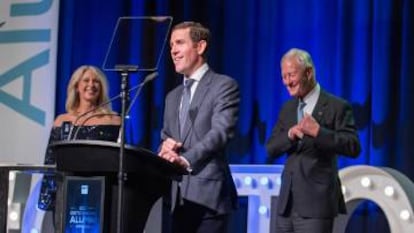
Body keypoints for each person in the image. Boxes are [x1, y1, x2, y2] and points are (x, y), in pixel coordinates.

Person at [266, 48, 361, 233]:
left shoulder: (337, 106)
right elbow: (271, 147)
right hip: (286, 205)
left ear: (308, 72)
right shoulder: (287, 108)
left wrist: (319, 132)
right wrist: (290, 135)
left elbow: (353, 146)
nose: (287, 82)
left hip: (316, 205)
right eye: (283, 77)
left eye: (291, 75)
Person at [158, 21, 240, 233]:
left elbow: (221, 132)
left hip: (209, 199)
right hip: (178, 200)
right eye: (171, 46)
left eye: (179, 43)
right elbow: (166, 136)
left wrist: (185, 159)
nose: (173, 51)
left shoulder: (223, 86)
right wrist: (165, 149)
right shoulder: (172, 97)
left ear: (200, 47)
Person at [38, 65, 121, 231]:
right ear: (76, 86)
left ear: (102, 87)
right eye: (86, 80)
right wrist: (48, 197)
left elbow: (120, 160)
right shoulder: (62, 120)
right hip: (68, 193)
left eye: (96, 81)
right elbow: (51, 160)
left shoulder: (114, 120)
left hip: (102, 193)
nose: (91, 84)